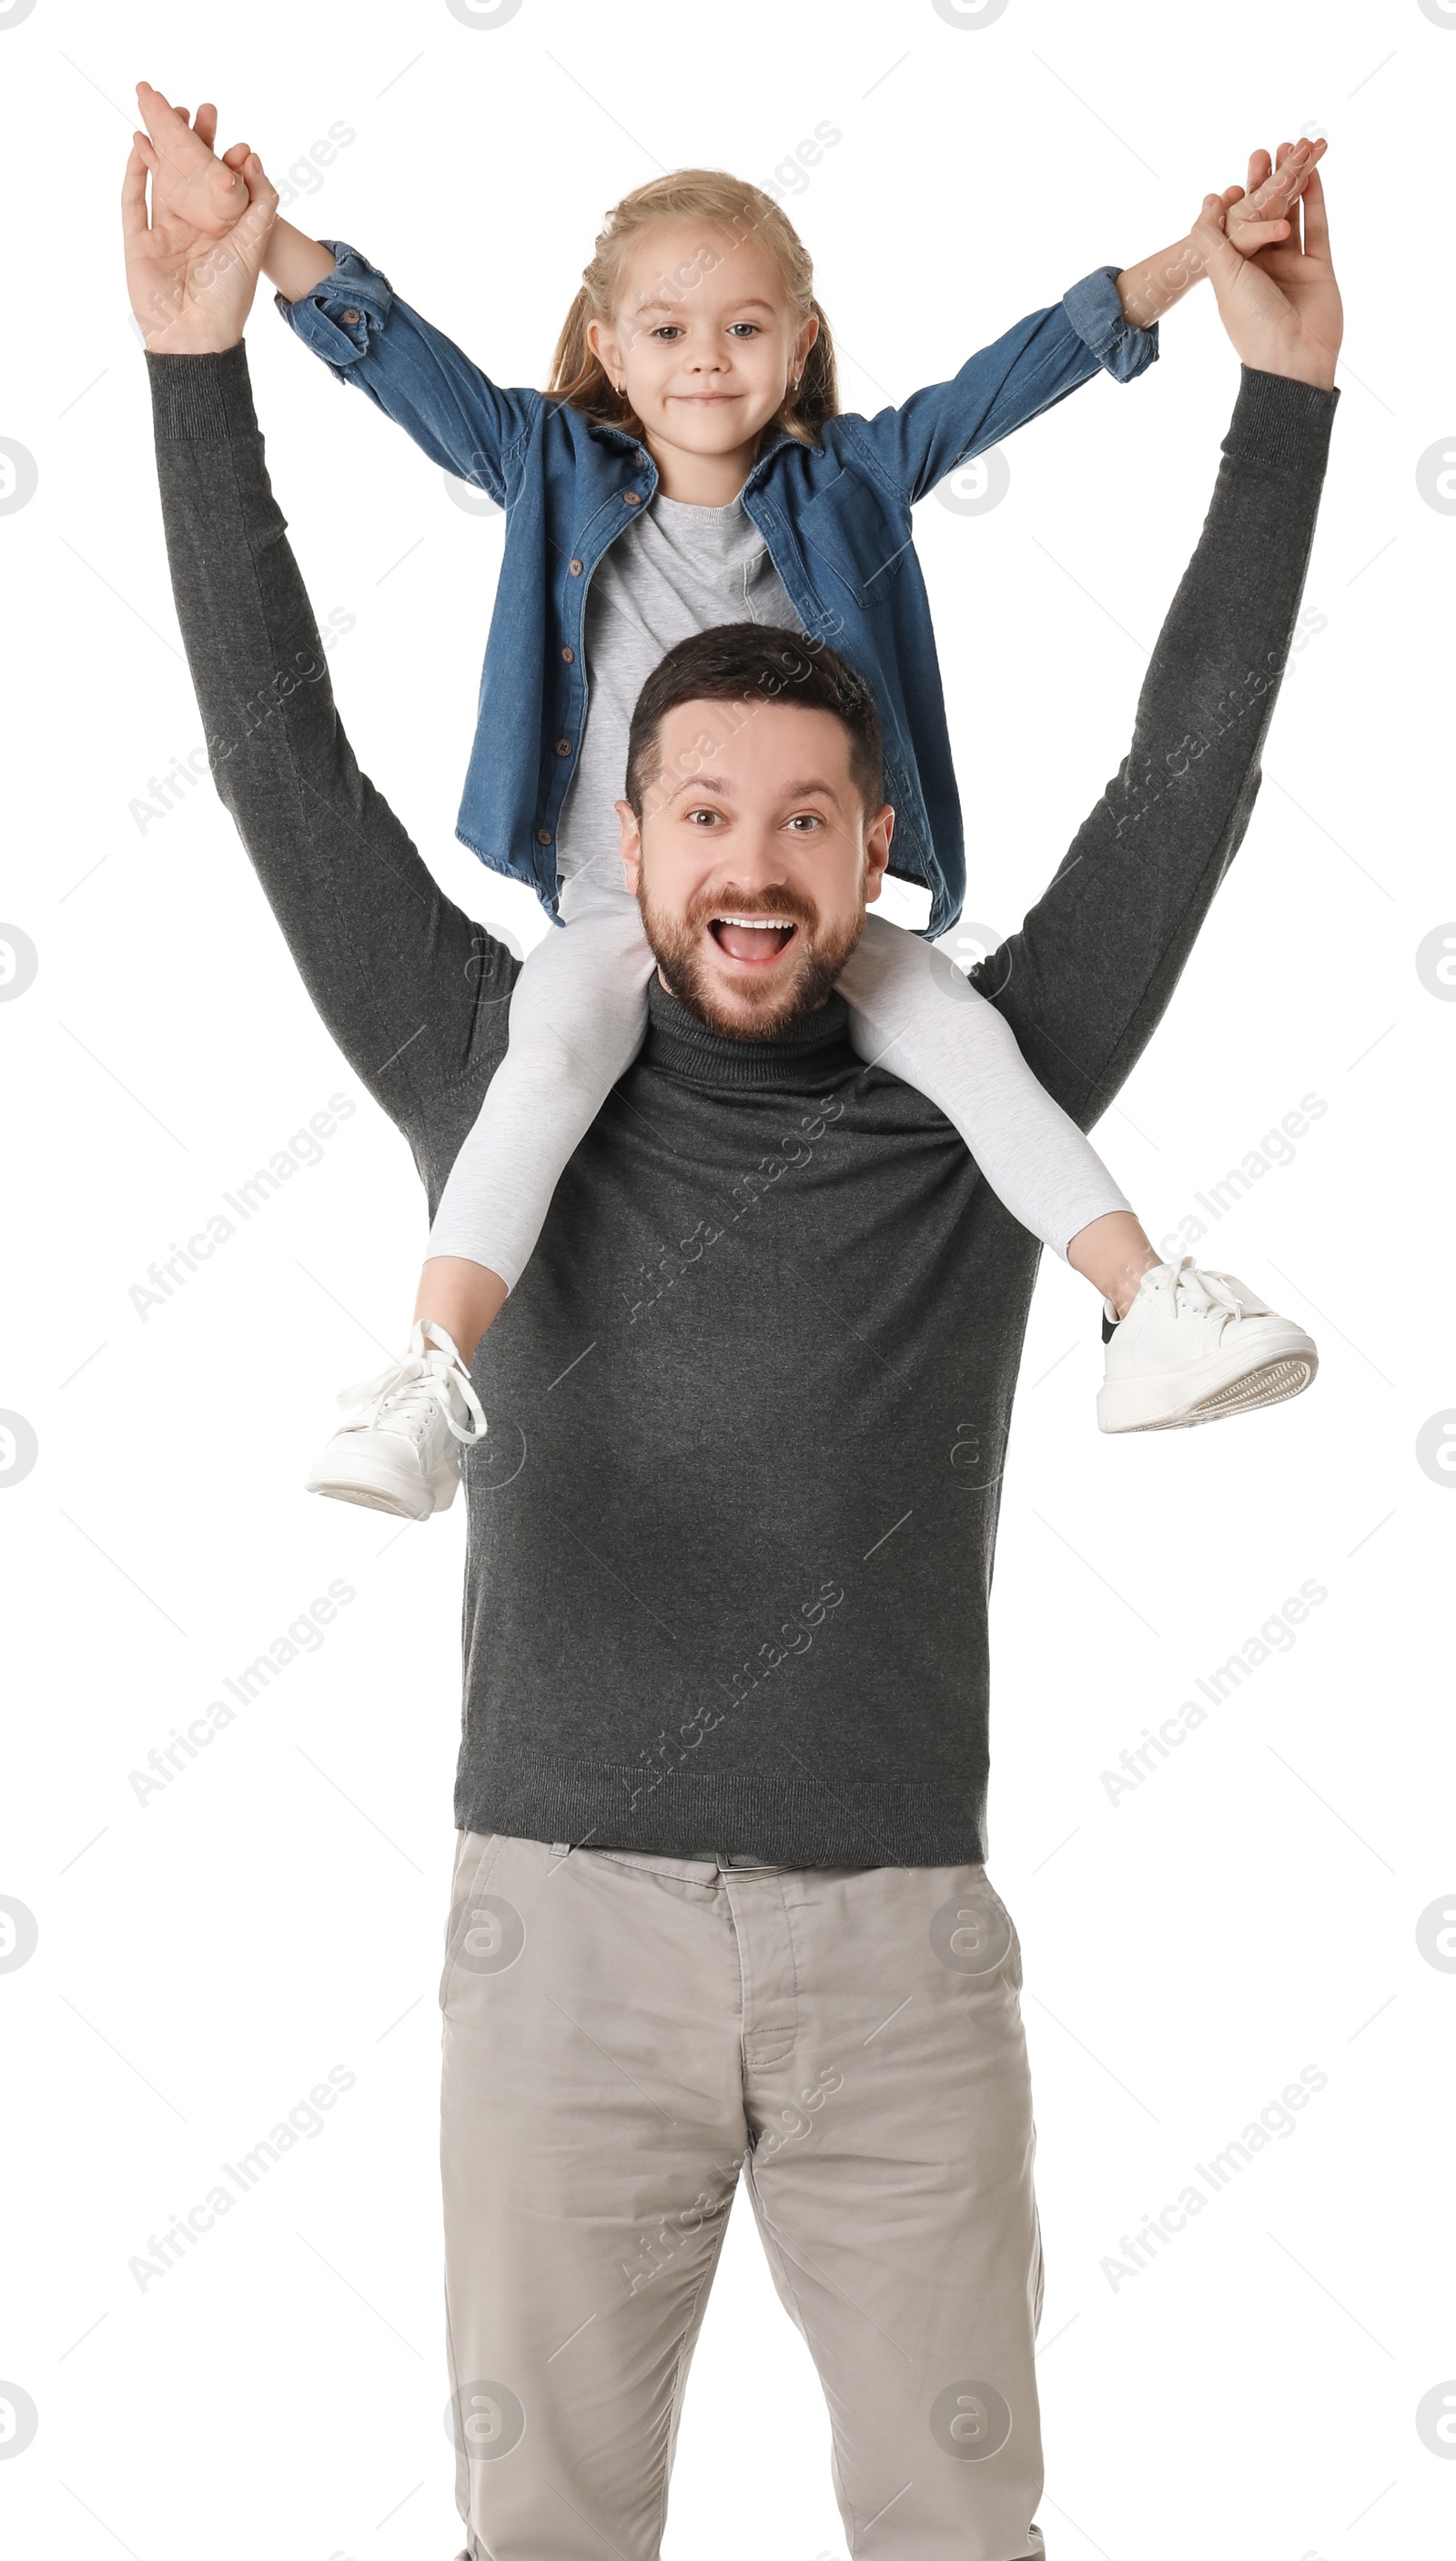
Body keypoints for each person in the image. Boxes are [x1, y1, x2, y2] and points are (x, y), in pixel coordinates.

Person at [125, 117, 1340, 2561]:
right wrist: (192, 371)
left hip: (902, 1938)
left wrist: (1293, 403)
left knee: (966, 2546)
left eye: (814, 816)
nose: (760, 863)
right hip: (562, 1929)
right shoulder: (491, 1086)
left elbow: (1190, 778)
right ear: (625, 844)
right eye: (703, 814)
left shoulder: (976, 1109)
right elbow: (270, 760)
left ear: (869, 841)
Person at [129, 88, 1320, 1503]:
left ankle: (1150, 1306)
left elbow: (1023, 370)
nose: (709, 361)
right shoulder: (547, 465)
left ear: (801, 342)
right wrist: (264, 250)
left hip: (815, 914)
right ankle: (430, 1372)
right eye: (670, 330)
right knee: (545, 1065)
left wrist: (1193, 261)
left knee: (967, 1041)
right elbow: (401, 359)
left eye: (746, 328)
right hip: (604, 912)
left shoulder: (853, 479)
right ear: (607, 351)